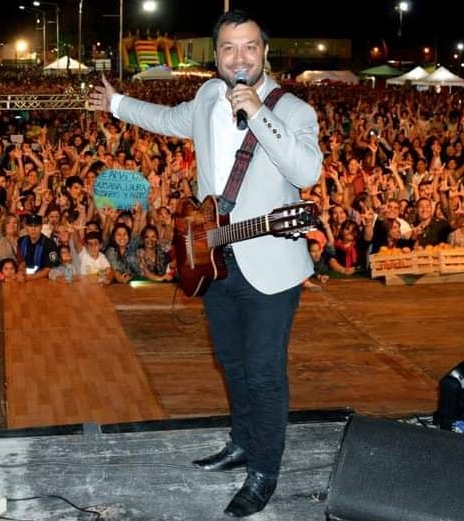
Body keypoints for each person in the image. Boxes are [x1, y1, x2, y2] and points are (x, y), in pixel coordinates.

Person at [89, 9, 321, 517]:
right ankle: (241, 441)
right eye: (229, 48)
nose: (240, 58)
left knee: (264, 372)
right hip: (214, 261)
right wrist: (117, 103)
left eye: (250, 47)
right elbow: (165, 120)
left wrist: (259, 113)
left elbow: (307, 171)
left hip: (271, 267)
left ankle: (264, 470)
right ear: (215, 55)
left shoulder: (294, 110)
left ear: (265, 52)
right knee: (231, 363)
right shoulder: (207, 97)